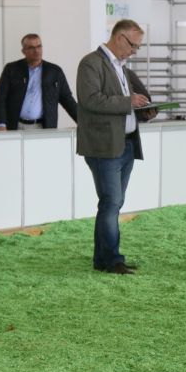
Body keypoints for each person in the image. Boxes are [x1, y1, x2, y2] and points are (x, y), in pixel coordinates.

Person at [76, 19, 156, 275]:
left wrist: (144, 109)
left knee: (112, 203)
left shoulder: (122, 67)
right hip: (104, 147)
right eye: (134, 45)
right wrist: (128, 101)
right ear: (120, 38)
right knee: (112, 201)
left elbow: (130, 103)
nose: (134, 51)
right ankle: (111, 260)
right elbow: (90, 100)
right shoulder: (91, 63)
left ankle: (104, 259)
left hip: (127, 144)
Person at [0, 33, 78, 131]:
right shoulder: (11, 69)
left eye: (39, 46)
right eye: (31, 48)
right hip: (15, 126)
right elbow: (0, 98)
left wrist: (83, 122)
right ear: (23, 51)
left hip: (43, 127)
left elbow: (68, 100)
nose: (36, 50)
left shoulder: (55, 72)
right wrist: (0, 124)